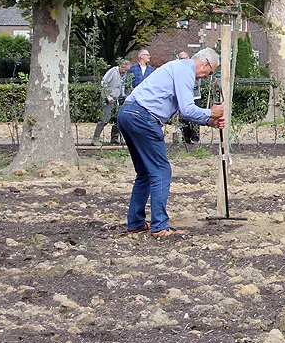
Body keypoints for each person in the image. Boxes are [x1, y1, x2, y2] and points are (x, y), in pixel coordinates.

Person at [117, 48, 226, 238]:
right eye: (209, 73)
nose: (206, 77)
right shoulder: (186, 71)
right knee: (161, 170)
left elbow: (183, 109)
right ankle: (159, 226)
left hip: (127, 113)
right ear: (206, 63)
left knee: (144, 171)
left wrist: (208, 122)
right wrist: (211, 113)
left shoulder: (177, 67)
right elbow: (187, 109)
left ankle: (135, 222)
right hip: (144, 117)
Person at [92, 59, 131, 145]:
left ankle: (114, 137)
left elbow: (122, 86)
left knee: (119, 119)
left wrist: (124, 95)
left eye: (127, 71)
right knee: (105, 118)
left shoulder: (123, 74)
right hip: (108, 99)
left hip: (118, 99)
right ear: (121, 67)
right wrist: (107, 96)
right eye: (125, 70)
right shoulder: (113, 71)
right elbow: (104, 83)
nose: (125, 72)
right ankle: (95, 139)